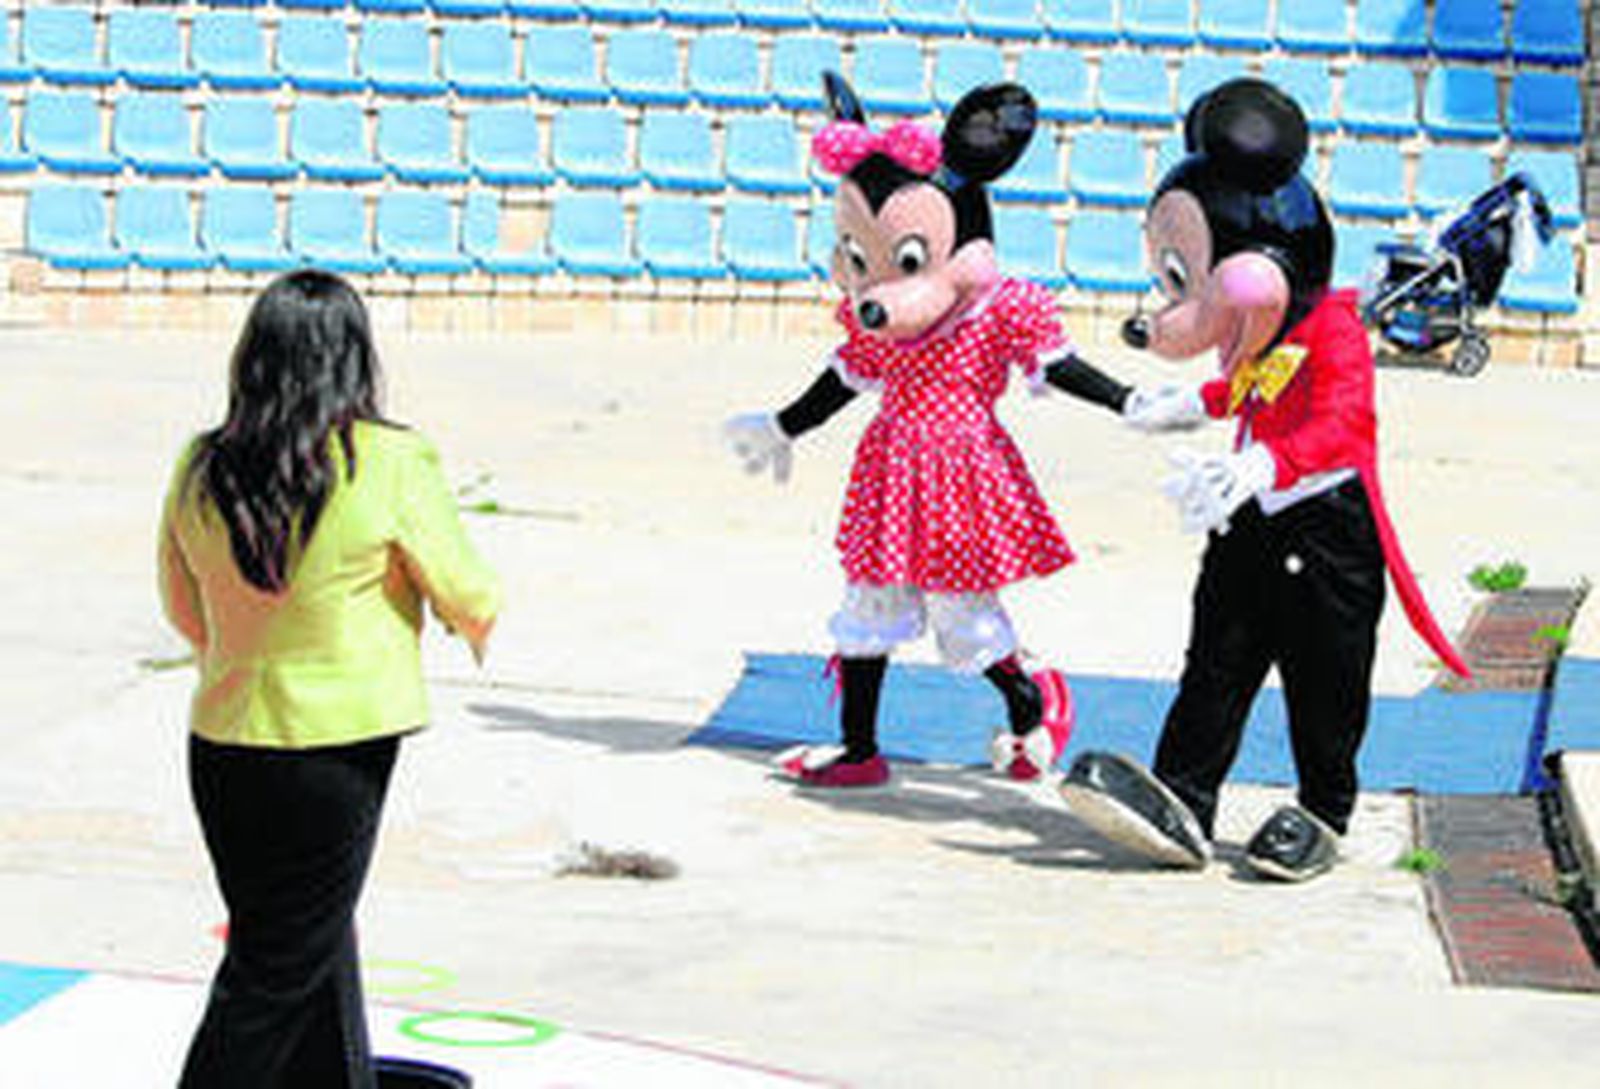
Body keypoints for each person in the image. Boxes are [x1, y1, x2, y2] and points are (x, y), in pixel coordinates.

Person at [725, 74, 1137, 787]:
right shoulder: (879, 326)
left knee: (961, 612)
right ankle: (859, 750)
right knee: (868, 603)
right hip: (891, 469)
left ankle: (1032, 704)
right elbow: (847, 379)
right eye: (862, 259)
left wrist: (1125, 398)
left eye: (905, 260)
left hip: (961, 474)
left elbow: (1057, 365)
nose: (877, 284)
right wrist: (783, 425)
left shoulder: (997, 311)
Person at [159, 271, 501, 1086]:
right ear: (353, 358)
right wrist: (453, 620)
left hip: (225, 739)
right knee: (274, 967)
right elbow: (470, 593)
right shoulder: (389, 459)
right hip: (336, 751)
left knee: (303, 935)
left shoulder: (202, 461)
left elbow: (183, 605)